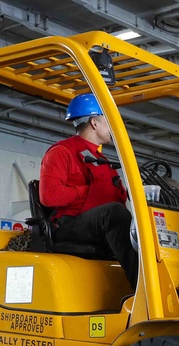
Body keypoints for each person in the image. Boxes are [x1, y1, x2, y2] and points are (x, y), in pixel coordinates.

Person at [39, 93, 137, 289]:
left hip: (97, 225)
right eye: (108, 121)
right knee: (114, 213)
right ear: (94, 123)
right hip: (69, 225)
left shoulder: (100, 159)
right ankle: (143, 286)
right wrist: (89, 192)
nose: (113, 129)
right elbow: (48, 196)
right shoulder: (61, 152)